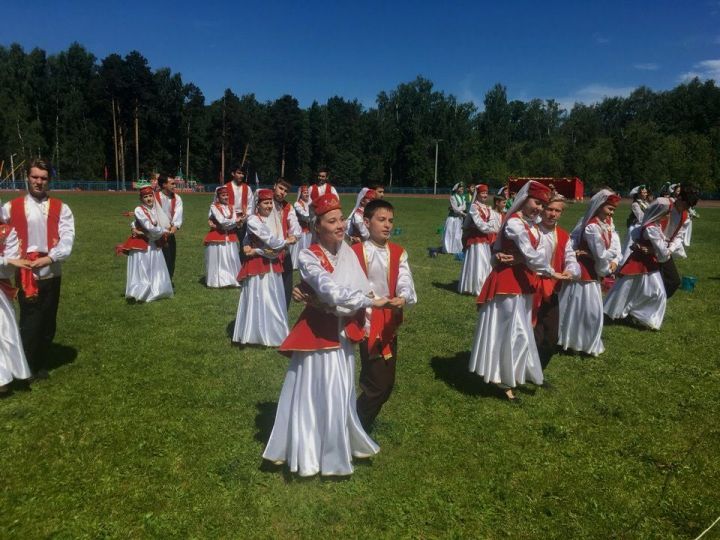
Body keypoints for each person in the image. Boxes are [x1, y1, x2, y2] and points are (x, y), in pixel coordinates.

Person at [264, 193, 387, 477]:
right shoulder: (308, 256)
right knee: (313, 389)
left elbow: (359, 288)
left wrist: (359, 300)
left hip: (341, 333)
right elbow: (328, 289)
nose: (340, 224)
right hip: (317, 334)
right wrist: (366, 301)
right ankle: (308, 452)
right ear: (317, 227)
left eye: (341, 218)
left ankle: (334, 447)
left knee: (339, 390)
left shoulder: (349, 251)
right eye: (332, 221)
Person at [468, 181, 566, 402]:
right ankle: (502, 379)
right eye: (536, 202)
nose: (539, 208)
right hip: (507, 284)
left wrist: (527, 261)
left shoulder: (532, 225)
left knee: (519, 331)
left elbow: (533, 253)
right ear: (524, 200)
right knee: (511, 331)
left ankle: (509, 373)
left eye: (543, 204)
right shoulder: (514, 223)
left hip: (523, 283)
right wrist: (550, 271)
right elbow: (530, 254)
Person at [2, 159, 75, 380]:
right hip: (24, 272)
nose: (39, 182)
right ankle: (25, 365)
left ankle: (40, 361)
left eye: (43, 178)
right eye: (35, 177)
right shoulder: (10, 207)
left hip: (51, 270)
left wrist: (51, 258)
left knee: (48, 319)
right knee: (30, 320)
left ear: (49, 180)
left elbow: (67, 238)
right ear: (27, 177)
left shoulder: (61, 207)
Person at [352, 199, 417, 430]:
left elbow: (404, 278)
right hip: (366, 324)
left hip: (389, 324)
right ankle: (354, 428)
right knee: (377, 385)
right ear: (366, 222)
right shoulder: (356, 252)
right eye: (381, 220)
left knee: (385, 385)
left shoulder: (398, 252)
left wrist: (404, 295)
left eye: (390, 220)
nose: (387, 225)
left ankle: (355, 424)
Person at [557, 189, 622, 356]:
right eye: (609, 209)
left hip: (594, 270)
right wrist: (606, 264)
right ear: (600, 206)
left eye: (613, 210)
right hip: (585, 272)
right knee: (583, 309)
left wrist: (613, 259)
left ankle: (581, 342)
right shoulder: (592, 226)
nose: (611, 213)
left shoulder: (606, 224)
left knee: (590, 311)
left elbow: (613, 247)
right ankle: (572, 341)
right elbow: (601, 254)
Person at [232, 189, 295, 346]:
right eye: (265, 203)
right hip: (257, 264)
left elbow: (267, 245)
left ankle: (274, 331)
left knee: (272, 296)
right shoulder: (254, 220)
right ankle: (255, 333)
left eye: (270, 203)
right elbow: (272, 241)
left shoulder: (274, 219)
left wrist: (251, 247)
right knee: (259, 295)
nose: (269, 206)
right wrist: (286, 242)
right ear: (257, 205)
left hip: (271, 263)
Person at [604, 197, 676, 329]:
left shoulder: (653, 225)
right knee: (644, 291)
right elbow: (662, 251)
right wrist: (669, 248)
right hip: (641, 262)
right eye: (667, 212)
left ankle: (640, 315)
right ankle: (642, 317)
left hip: (646, 262)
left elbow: (643, 240)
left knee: (635, 289)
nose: (668, 215)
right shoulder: (651, 228)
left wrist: (646, 247)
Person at [533, 195, 579, 369]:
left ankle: (538, 369)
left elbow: (571, 258)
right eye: (549, 209)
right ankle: (526, 372)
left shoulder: (563, 235)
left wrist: (571, 270)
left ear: (561, 213)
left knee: (551, 336)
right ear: (542, 209)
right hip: (530, 289)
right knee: (533, 333)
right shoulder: (532, 231)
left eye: (557, 210)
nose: (552, 214)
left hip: (551, 290)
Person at [117, 186, 174, 303]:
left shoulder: (153, 210)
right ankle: (139, 293)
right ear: (141, 199)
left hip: (151, 242)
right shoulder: (139, 209)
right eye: (145, 197)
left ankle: (155, 290)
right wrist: (164, 231)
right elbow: (149, 227)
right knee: (142, 268)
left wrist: (136, 228)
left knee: (154, 267)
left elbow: (139, 224)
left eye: (150, 196)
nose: (148, 199)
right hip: (141, 244)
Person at [0, 218, 32, 392]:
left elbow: (9, 269)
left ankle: (7, 375)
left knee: (5, 331)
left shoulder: (7, 232)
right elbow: (8, 262)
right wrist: (5, 260)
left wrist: (7, 262)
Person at [458, 184, 498, 295]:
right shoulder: (474, 207)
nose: (485, 195)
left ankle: (485, 285)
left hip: (484, 239)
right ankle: (476, 287)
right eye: (482, 193)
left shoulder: (487, 207)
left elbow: (493, 221)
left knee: (486, 262)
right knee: (478, 261)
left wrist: (491, 227)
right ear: (478, 194)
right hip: (476, 239)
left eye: (486, 193)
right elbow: (479, 223)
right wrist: (490, 228)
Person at [268, 178, 301, 307]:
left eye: (286, 191)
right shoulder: (264, 202)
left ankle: (282, 318)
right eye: (281, 188)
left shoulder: (288, 207)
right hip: (267, 253)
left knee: (286, 288)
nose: (282, 193)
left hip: (284, 252)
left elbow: (295, 225)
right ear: (274, 186)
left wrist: (294, 235)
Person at [204, 186, 242, 288]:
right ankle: (217, 281)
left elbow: (229, 223)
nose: (225, 197)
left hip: (230, 236)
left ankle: (231, 279)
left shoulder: (232, 207)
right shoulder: (214, 207)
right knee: (218, 259)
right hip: (218, 236)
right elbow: (222, 221)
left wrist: (232, 223)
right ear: (218, 196)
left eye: (227, 195)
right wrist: (234, 222)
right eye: (223, 195)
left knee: (231, 257)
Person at [154, 175, 184, 281]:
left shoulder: (177, 198)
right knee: (157, 258)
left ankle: (168, 281)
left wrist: (175, 226)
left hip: (170, 232)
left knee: (170, 258)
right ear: (164, 185)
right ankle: (157, 281)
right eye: (172, 183)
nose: (174, 186)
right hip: (156, 233)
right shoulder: (154, 197)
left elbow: (178, 213)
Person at [291, 185, 312, 270]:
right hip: (300, 230)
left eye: (307, 192)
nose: (306, 194)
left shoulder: (310, 203)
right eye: (304, 193)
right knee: (300, 248)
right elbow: (304, 216)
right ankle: (297, 264)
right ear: (301, 194)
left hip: (309, 230)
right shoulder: (297, 204)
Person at [442, 183, 466, 254]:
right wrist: (463, 213)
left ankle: (456, 249)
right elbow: (456, 209)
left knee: (458, 234)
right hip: (452, 218)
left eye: (462, 188)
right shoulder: (452, 197)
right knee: (449, 234)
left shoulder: (463, 197)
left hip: (459, 219)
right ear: (456, 189)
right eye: (460, 188)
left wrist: (459, 209)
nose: (462, 189)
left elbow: (463, 207)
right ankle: (448, 249)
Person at [624, 184, 649, 252]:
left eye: (646, 192)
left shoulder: (646, 203)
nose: (646, 194)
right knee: (629, 249)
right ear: (638, 194)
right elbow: (641, 218)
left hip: (643, 226)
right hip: (636, 228)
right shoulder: (635, 204)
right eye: (644, 193)